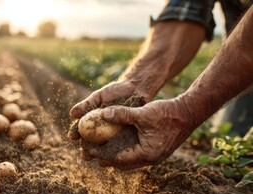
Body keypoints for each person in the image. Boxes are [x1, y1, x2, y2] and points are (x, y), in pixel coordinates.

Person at [69, 1, 253, 170]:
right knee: (227, 145)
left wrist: (187, 109)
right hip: (238, 55)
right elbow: (187, 8)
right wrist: (138, 82)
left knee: (238, 152)